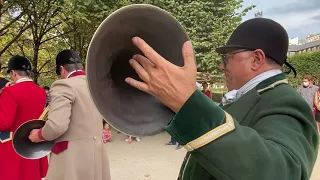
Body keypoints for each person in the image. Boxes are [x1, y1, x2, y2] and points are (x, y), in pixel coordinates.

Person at [124, 18, 319, 180]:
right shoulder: (257, 96)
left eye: (226, 58)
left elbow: (284, 174)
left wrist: (189, 103)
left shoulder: (285, 100)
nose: (221, 66)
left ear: (256, 59)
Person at [28, 50, 111, 180]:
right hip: (97, 152)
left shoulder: (63, 85)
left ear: (62, 69)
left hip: (72, 158)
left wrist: (39, 135)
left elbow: (57, 126)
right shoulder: (94, 85)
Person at [0, 55, 48, 180]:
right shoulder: (41, 92)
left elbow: (4, 123)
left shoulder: (9, 92)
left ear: (13, 73)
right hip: (32, 144)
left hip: (11, 146)